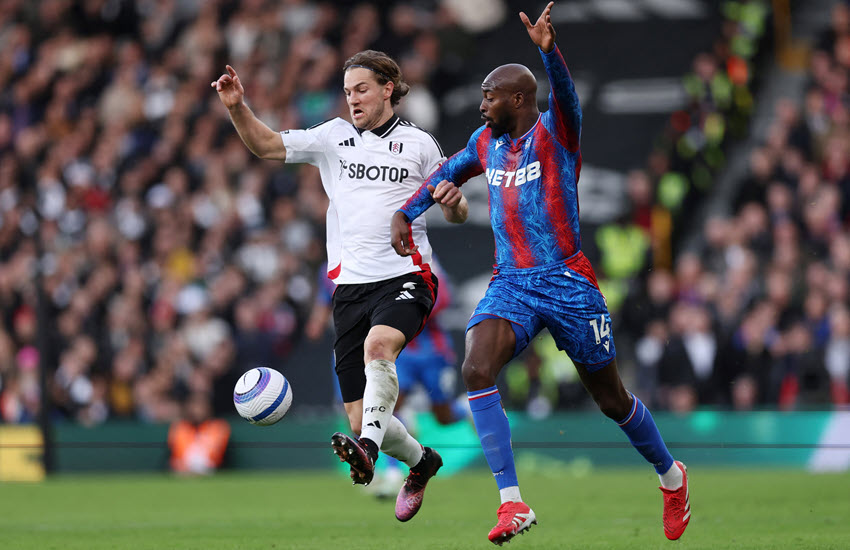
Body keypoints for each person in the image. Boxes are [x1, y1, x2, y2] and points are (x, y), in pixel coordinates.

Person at [391, 3, 691, 544]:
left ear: (519, 100)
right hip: (513, 282)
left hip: (568, 281)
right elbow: (445, 172)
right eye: (481, 95)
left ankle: (672, 477)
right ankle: (512, 503)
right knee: (476, 368)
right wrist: (404, 214)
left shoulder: (558, 134)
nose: (482, 105)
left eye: (491, 97)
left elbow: (568, 99)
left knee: (611, 400)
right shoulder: (487, 143)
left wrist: (549, 52)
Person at [212, 49, 469, 522]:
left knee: (379, 349)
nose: (352, 99)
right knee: (357, 413)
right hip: (349, 289)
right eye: (348, 91)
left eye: (362, 89)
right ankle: (421, 462)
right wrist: (235, 108)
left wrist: (453, 203)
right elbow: (267, 145)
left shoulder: (420, 146)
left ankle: (368, 450)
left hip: (407, 276)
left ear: (388, 88)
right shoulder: (333, 137)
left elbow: (455, 208)